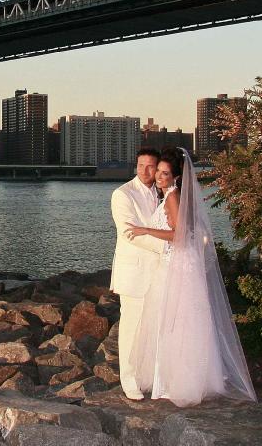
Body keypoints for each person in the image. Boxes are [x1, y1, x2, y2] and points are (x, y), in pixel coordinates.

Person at [126, 148, 257, 406]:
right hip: (174, 264)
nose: (159, 176)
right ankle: (175, 380)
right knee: (177, 323)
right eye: (158, 171)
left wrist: (145, 230)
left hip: (174, 266)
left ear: (176, 177)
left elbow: (179, 235)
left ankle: (176, 383)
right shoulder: (170, 196)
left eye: (165, 173)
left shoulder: (172, 197)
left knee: (174, 323)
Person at [109, 147, 169, 400]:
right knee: (132, 329)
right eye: (141, 165)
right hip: (134, 272)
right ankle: (130, 381)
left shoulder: (164, 193)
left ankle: (151, 378)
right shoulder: (123, 194)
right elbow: (129, 233)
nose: (145, 171)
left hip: (161, 273)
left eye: (150, 166)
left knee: (155, 328)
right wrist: (169, 246)